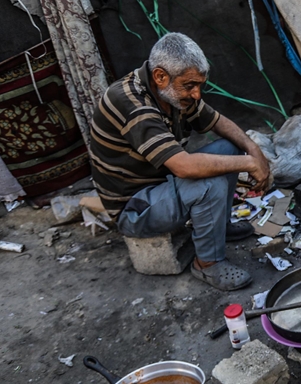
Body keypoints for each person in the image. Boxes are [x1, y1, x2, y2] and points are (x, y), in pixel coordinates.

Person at [89, 33, 271, 291]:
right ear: (161, 76)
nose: (197, 94)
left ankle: (220, 228)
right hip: (134, 207)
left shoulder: (170, 92)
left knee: (230, 148)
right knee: (210, 183)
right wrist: (251, 165)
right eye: (190, 85)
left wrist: (254, 150)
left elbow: (217, 121)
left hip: (161, 186)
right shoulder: (131, 102)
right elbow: (184, 167)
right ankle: (207, 264)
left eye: (199, 85)